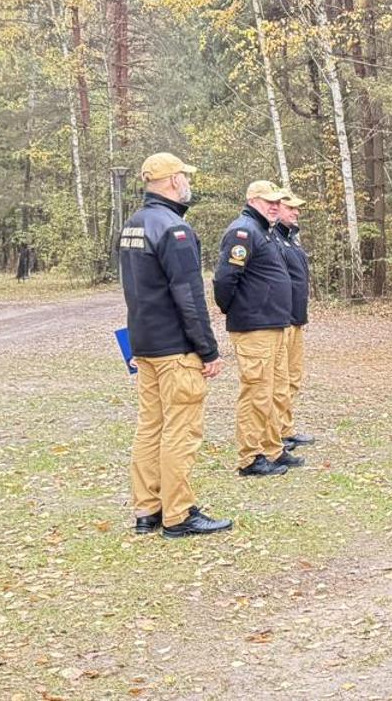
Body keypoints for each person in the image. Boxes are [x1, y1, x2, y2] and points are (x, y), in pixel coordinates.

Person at [117, 152, 232, 538]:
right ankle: (179, 514)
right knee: (180, 430)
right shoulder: (174, 229)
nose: (188, 183)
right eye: (184, 177)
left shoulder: (133, 224)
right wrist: (208, 349)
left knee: (150, 427)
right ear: (170, 182)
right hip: (173, 349)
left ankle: (147, 509)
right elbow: (189, 296)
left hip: (144, 344)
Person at [215, 180, 299, 478]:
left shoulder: (264, 231)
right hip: (255, 325)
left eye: (278, 201)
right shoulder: (243, 231)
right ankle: (250, 458)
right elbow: (225, 280)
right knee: (256, 392)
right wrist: (238, 310)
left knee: (272, 388)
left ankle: (272, 448)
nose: (275, 205)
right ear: (252, 200)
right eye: (268, 201)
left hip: (273, 323)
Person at [272, 189, 315, 451]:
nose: (296, 212)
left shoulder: (290, 240)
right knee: (279, 380)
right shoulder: (272, 240)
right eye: (291, 208)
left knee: (293, 378)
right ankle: (276, 432)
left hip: (296, 318)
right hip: (282, 319)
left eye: (297, 208)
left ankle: (285, 429)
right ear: (277, 210)